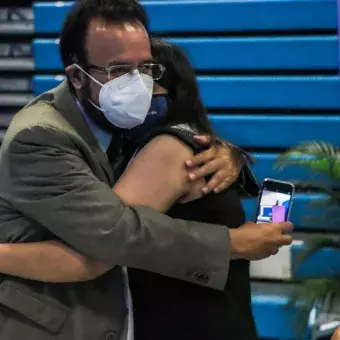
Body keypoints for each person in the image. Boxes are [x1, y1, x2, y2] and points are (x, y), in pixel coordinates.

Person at [0, 1, 293, 339]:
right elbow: (116, 235)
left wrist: (230, 155)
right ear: (77, 76)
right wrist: (231, 243)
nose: (138, 86)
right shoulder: (42, 137)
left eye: (146, 69)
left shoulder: (136, 133)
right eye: (118, 70)